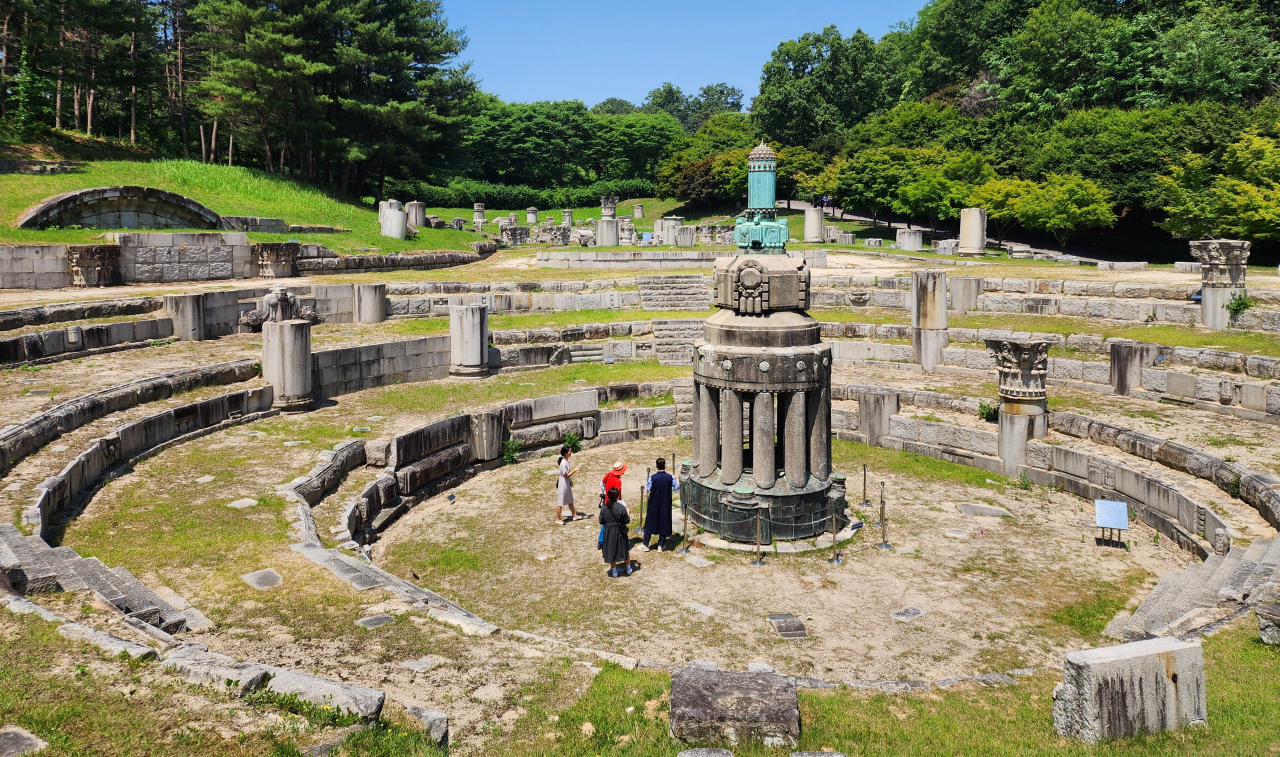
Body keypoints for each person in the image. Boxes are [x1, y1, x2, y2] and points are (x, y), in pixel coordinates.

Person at [637, 457, 678, 552]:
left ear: (656, 466)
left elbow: (648, 488)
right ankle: (661, 544)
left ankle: (646, 544)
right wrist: (675, 478)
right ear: (665, 466)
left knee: (650, 521)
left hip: (653, 502)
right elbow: (677, 487)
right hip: (665, 502)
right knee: (664, 521)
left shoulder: (652, 477)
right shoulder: (670, 477)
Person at [599, 485, 631, 577]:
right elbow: (626, 520)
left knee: (611, 549)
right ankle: (628, 569)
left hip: (609, 531)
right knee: (624, 549)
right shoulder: (621, 507)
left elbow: (601, 521)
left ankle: (614, 571)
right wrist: (628, 513)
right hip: (620, 530)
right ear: (617, 496)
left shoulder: (604, 508)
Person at [554, 446, 581, 525]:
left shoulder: (566, 461)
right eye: (569, 451)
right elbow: (566, 475)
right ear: (565, 453)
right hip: (563, 485)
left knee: (570, 500)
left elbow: (567, 476)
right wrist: (574, 470)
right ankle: (558, 519)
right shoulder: (563, 463)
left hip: (566, 484)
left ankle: (574, 515)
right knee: (560, 502)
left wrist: (570, 482)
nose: (570, 452)